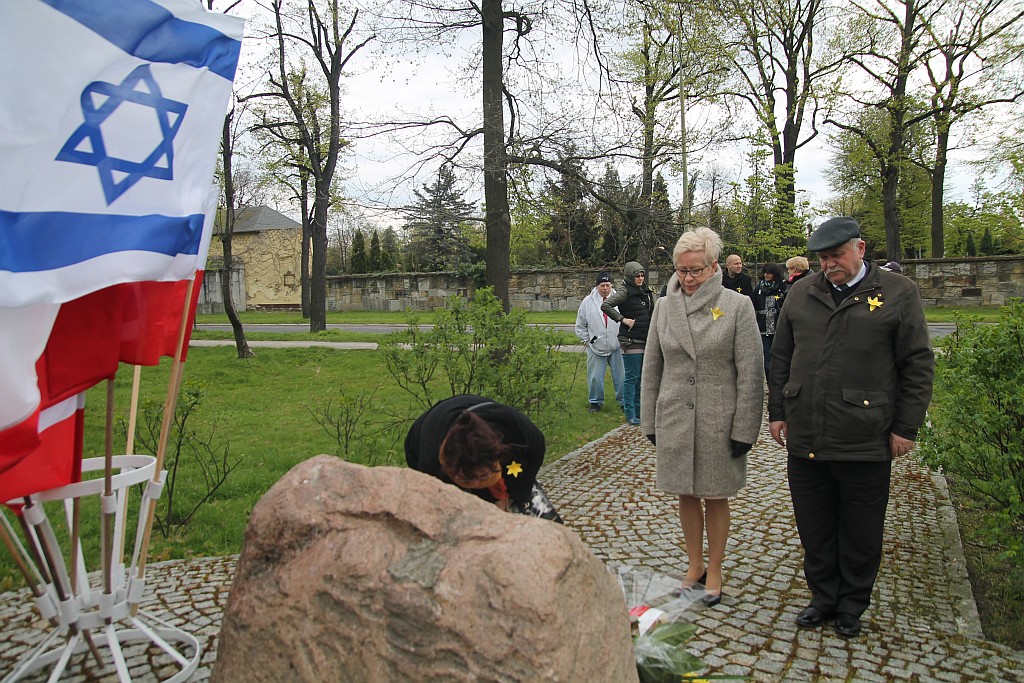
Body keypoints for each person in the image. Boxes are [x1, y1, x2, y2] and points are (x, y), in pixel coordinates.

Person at [768, 216, 934, 638]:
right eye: (822, 258)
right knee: (815, 525)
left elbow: (917, 364)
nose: (829, 265)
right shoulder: (801, 293)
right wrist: (777, 412)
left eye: (836, 255)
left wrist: (906, 428)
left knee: (860, 529)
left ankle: (851, 605)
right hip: (806, 433)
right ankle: (822, 598)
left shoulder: (897, 293)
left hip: (865, 434)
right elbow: (781, 358)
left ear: (860, 248)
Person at [641, 227, 764, 607]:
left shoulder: (736, 306)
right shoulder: (664, 307)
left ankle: (715, 567)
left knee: (715, 494)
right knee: (686, 493)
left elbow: (751, 371)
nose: (688, 278)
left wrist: (745, 427)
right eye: (681, 271)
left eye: (694, 270)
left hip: (718, 419)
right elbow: (651, 367)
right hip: (675, 414)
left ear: (714, 267)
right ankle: (693, 565)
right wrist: (649, 420)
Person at [404, 394, 560, 521]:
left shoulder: (514, 428)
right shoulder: (430, 465)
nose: (474, 483)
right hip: (426, 438)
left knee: (541, 520)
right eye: (467, 480)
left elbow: (535, 452)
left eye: (480, 479)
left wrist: (514, 495)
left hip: (494, 448)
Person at [603, 262, 654, 426]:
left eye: (641, 275)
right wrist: (622, 319)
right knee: (631, 378)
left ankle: (639, 412)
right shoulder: (625, 291)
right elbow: (606, 305)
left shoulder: (645, 291)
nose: (640, 278)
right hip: (631, 340)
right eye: (636, 276)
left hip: (645, 338)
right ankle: (630, 413)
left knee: (640, 378)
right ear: (630, 277)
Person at [575, 272, 625, 413]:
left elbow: (626, 320)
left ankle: (624, 401)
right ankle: (595, 402)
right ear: (597, 287)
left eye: (607, 285)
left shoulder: (620, 300)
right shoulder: (588, 302)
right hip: (595, 346)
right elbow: (580, 324)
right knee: (595, 377)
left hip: (617, 345)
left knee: (621, 376)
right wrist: (587, 341)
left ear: (611, 286)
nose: (605, 288)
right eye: (602, 285)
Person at [753, 262, 785, 379]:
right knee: (767, 359)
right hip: (763, 327)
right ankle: (770, 383)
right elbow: (754, 304)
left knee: (780, 357)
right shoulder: (759, 287)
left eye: (769, 273)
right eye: (765, 273)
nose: (766, 275)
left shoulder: (783, 287)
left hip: (779, 327)